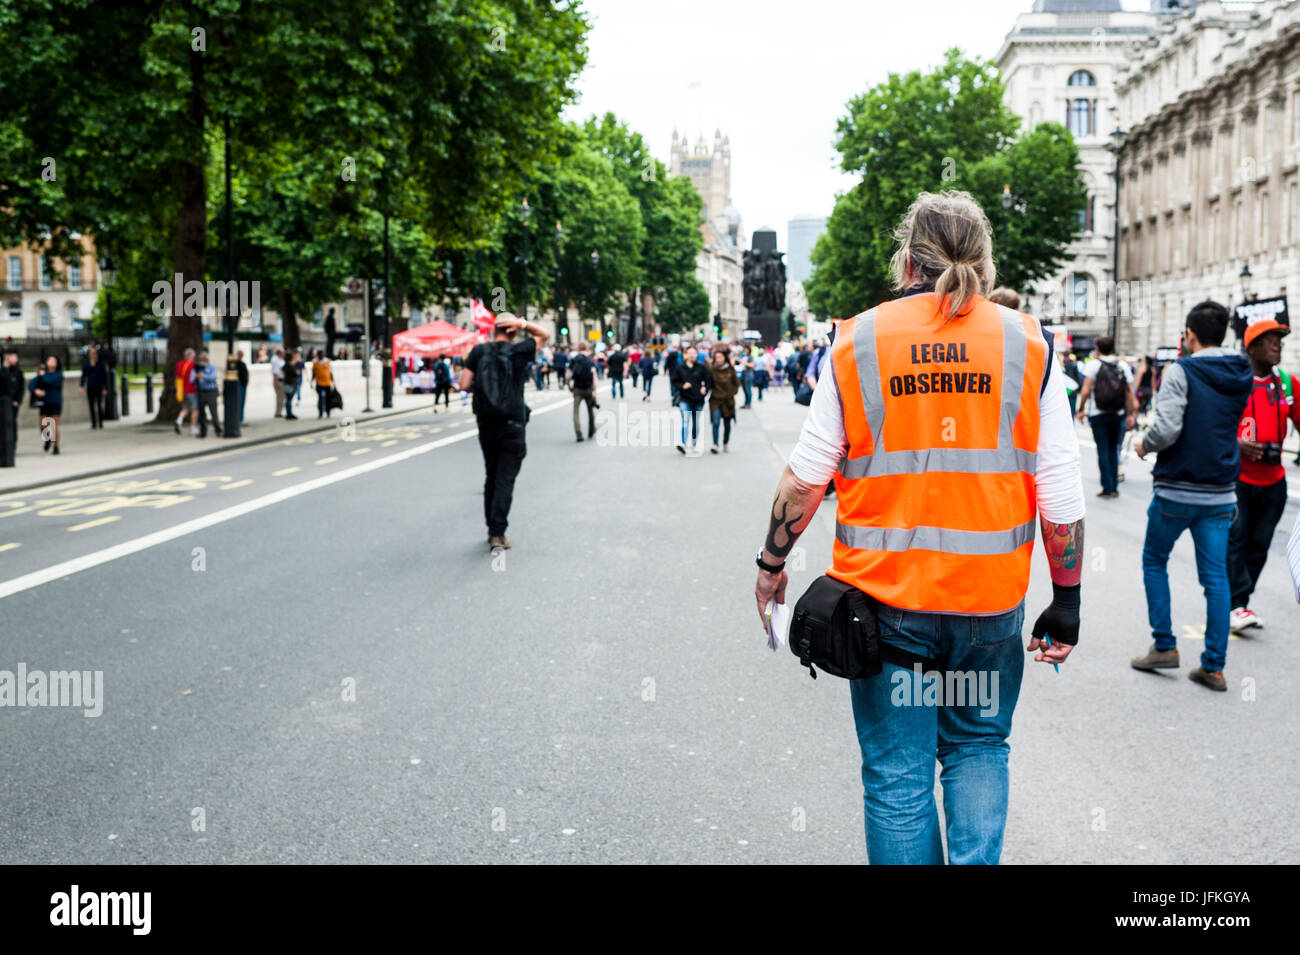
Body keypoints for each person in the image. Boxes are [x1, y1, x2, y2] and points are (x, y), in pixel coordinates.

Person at [753, 190, 1084, 865]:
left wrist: (771, 563)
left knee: (898, 776)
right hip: (989, 605)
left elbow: (805, 479)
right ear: (985, 266)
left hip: (887, 605)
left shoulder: (859, 339)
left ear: (907, 260)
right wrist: (1069, 598)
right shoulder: (1029, 343)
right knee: (978, 746)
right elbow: (1060, 491)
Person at [1131, 301, 1252, 692]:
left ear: (1190, 336)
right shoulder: (1241, 371)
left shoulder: (1181, 369)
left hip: (1178, 488)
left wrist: (1143, 446)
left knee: (1154, 560)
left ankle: (1165, 646)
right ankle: (1213, 666)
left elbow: (1166, 429)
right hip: (1221, 492)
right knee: (1216, 579)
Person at [1228, 320, 1298, 632]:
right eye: (1270, 341)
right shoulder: (1233, 383)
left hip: (1274, 482)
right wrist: (1236, 443)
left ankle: (1241, 602)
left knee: (1260, 543)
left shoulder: (1287, 384)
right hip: (1239, 480)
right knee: (1236, 540)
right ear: (1252, 348)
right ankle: (1235, 605)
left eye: (1280, 341)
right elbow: (1213, 425)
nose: (1278, 346)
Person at [461, 312, 549, 549]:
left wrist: (487, 392)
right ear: (512, 330)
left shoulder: (479, 352)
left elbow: (464, 384)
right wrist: (523, 323)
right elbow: (544, 334)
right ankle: (498, 533)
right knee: (505, 478)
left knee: (491, 474)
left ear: (494, 329)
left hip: (487, 422)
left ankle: (491, 528)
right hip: (513, 423)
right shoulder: (519, 350)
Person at [1074, 336, 1137, 498]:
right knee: (1114, 448)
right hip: (1118, 414)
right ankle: (1114, 486)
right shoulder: (1122, 365)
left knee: (1103, 450)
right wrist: (1131, 413)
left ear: (1098, 349)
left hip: (1098, 414)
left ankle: (1107, 488)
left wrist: (1080, 409)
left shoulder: (1093, 365)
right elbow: (1129, 392)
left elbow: (1086, 390)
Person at [671, 345, 709, 455]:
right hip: (685, 398)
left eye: (694, 353)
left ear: (697, 354)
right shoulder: (680, 367)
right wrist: (682, 385)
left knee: (696, 422)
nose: (692, 355)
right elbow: (674, 381)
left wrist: (704, 388)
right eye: (690, 353)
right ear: (686, 354)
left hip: (698, 399)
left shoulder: (701, 367)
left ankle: (693, 443)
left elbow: (708, 381)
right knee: (686, 420)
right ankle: (683, 443)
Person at [29, 355, 65, 454]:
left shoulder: (58, 374)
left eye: (53, 360)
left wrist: (41, 376)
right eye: (49, 360)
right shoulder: (43, 374)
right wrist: (36, 390)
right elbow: (31, 384)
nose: (51, 362)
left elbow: (50, 381)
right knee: (43, 425)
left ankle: (56, 446)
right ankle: (48, 439)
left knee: (54, 424)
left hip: (55, 401)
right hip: (44, 402)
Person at [707, 347, 739, 453]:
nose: (718, 359)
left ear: (724, 358)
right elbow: (708, 382)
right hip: (715, 400)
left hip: (728, 401)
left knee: (727, 424)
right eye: (716, 358)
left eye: (720, 357)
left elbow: (736, 384)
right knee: (715, 422)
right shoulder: (712, 369)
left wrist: (731, 393)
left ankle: (725, 442)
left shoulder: (730, 369)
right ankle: (715, 444)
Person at [568, 340, 597, 442]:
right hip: (588, 388)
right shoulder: (590, 360)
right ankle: (591, 429)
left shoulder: (574, 359)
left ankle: (578, 432)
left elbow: (568, 375)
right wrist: (595, 391)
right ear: (587, 347)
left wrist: (569, 386)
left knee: (576, 411)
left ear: (578, 348)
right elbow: (594, 376)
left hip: (577, 388)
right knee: (590, 410)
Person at [79, 345, 108, 429]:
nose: (93, 355)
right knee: (91, 405)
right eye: (92, 353)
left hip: (98, 386)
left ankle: (101, 422)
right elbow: (83, 376)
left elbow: (104, 377)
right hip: (90, 386)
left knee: (99, 405)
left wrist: (105, 388)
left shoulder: (101, 364)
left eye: (95, 353)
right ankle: (94, 423)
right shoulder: (86, 364)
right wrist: (81, 385)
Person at [194, 351, 222, 437]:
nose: (202, 360)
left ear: (207, 359)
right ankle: (203, 432)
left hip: (211, 392)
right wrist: (195, 377)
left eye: (203, 359)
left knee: (213, 412)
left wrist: (203, 376)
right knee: (201, 414)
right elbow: (192, 378)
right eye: (200, 359)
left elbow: (213, 377)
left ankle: (218, 430)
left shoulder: (212, 368)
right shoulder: (196, 368)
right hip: (201, 392)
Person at [1, 348, 21, 463]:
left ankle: (51, 443)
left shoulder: (17, 372)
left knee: (11, 425)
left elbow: (20, 387)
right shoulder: (4, 370)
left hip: (12, 404)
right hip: (3, 403)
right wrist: (5, 367)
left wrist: (17, 400)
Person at [174, 347, 199, 435]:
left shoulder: (179, 364)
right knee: (195, 409)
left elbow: (177, 377)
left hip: (181, 390)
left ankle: (179, 420)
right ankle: (193, 427)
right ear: (191, 356)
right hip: (191, 390)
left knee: (185, 408)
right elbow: (194, 378)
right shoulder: (193, 365)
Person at [312, 351, 334, 418]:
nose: (321, 356)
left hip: (327, 383)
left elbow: (331, 373)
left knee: (328, 399)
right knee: (320, 399)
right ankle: (320, 413)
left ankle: (328, 412)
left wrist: (333, 382)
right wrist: (311, 381)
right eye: (320, 355)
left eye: (322, 355)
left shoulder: (328, 361)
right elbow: (314, 373)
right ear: (318, 355)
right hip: (319, 383)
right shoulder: (315, 363)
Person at [281, 350, 300, 420]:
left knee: (288, 400)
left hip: (287, 384)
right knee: (289, 400)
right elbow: (295, 374)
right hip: (291, 384)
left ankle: (288, 413)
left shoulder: (286, 365)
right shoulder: (290, 366)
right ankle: (289, 414)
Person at [235, 349, 249, 423]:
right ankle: (238, 418)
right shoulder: (236, 363)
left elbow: (247, 373)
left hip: (244, 385)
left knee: (242, 402)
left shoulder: (243, 364)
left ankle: (241, 418)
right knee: (239, 402)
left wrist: (247, 381)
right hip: (239, 385)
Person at [271, 348, 286, 417]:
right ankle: (278, 413)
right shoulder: (275, 360)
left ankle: (279, 412)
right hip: (278, 380)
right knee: (280, 397)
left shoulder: (280, 359)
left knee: (281, 397)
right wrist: (277, 382)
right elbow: (275, 372)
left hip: (281, 380)